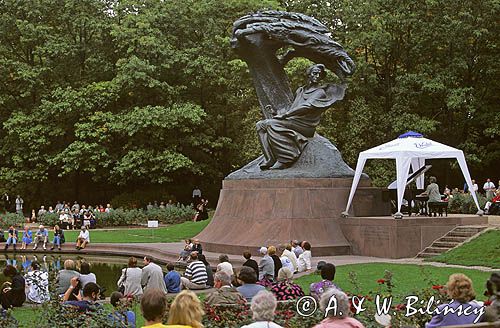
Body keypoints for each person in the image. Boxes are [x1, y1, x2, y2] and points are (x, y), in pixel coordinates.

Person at [257, 64, 346, 170]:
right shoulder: (300, 90)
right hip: (294, 121)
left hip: (306, 125)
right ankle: (270, 159)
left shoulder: (320, 92)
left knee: (270, 124)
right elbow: (294, 108)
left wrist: (285, 115)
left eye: (319, 74)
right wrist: (276, 113)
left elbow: (306, 106)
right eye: (315, 73)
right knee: (260, 125)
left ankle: (286, 158)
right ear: (309, 74)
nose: (317, 76)